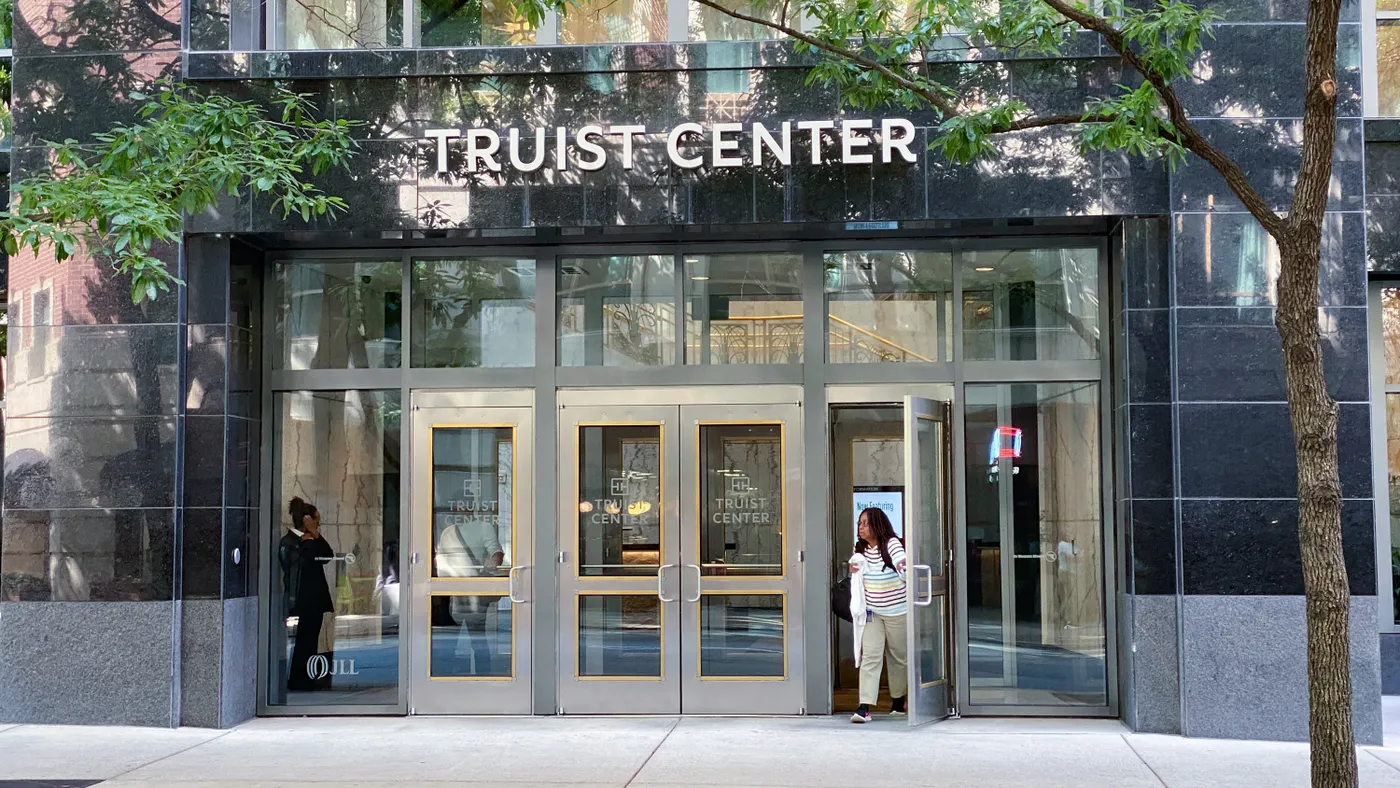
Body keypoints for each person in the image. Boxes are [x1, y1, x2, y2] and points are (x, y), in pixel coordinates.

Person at [848, 506, 908, 723]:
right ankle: (864, 707)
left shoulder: (891, 544)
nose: (861, 527)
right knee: (870, 657)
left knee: (898, 657)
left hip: (897, 612)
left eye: (865, 523)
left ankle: (898, 703)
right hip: (872, 613)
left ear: (877, 524)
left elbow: (902, 563)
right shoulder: (861, 549)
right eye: (859, 523)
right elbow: (857, 569)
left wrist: (904, 568)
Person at [281, 496, 336, 692]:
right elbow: (323, 556)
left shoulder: (306, 541)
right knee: (305, 640)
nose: (318, 525)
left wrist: (314, 535)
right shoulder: (293, 542)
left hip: (312, 601)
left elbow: (327, 555)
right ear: (307, 520)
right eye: (316, 521)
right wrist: (313, 534)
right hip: (305, 601)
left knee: (308, 640)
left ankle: (303, 678)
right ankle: (299, 680)